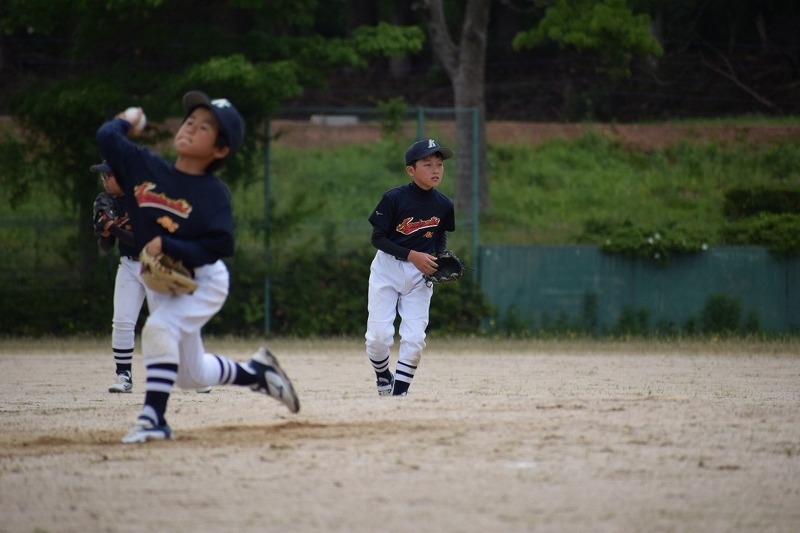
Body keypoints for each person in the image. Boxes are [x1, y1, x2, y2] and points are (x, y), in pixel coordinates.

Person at [96, 91, 299, 444]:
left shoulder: (212, 194)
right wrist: (128, 118)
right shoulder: (147, 166)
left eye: (205, 127)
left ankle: (153, 419)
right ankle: (258, 374)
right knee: (190, 375)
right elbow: (106, 137)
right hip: (162, 278)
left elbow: (221, 246)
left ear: (220, 150)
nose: (191, 127)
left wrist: (167, 245)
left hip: (203, 280)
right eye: (190, 121)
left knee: (157, 328)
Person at [91, 162, 212, 395]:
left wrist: (113, 228)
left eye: (109, 176)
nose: (105, 181)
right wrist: (105, 232)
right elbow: (106, 246)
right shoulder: (108, 201)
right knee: (122, 321)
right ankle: (123, 375)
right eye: (103, 177)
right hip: (129, 265)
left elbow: (141, 242)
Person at [364, 139, 455, 397]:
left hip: (421, 274)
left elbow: (439, 234)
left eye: (439, 164)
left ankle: (398, 395)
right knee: (378, 337)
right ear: (411, 170)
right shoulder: (394, 199)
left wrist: (440, 257)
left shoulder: (444, 204)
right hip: (387, 269)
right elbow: (377, 239)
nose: (435, 170)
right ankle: (383, 375)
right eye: (428, 164)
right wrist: (411, 255)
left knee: (415, 340)